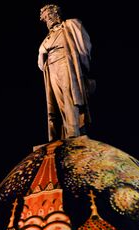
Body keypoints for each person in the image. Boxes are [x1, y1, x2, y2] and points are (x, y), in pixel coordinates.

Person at [38, 4, 94, 140]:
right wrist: (42, 52)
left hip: (65, 62)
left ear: (57, 14)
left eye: (49, 15)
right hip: (51, 67)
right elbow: (40, 62)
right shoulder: (47, 39)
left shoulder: (70, 25)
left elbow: (84, 47)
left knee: (69, 95)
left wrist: (81, 67)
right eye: (45, 18)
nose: (48, 19)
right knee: (56, 101)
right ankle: (60, 134)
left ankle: (73, 132)